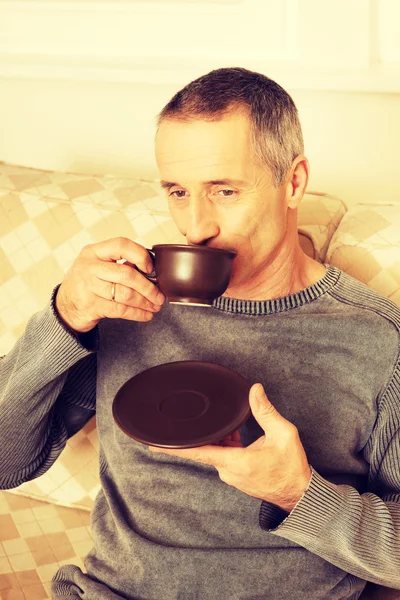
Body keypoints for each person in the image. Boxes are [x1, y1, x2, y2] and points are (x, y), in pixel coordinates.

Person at [0, 67, 399, 600]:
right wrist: (64, 316)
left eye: (225, 190)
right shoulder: (126, 305)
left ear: (294, 181)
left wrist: (301, 494)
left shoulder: (375, 340)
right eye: (176, 191)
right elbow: (7, 463)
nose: (195, 226)